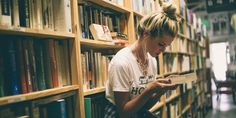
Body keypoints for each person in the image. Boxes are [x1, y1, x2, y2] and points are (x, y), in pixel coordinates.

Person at [104, 3, 180, 118]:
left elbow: (144, 106)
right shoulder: (122, 62)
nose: (163, 50)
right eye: (161, 44)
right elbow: (123, 112)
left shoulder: (152, 61)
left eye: (166, 46)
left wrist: (161, 91)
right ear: (146, 34)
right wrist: (148, 90)